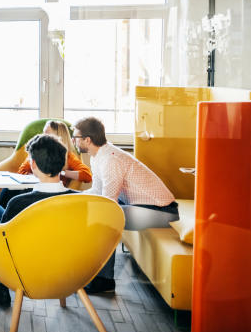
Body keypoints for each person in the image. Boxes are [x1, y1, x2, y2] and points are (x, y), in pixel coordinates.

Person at [73, 116, 178, 294]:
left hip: (162, 211)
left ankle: (104, 280)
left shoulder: (111, 160)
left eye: (75, 137)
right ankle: (88, 271)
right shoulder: (98, 156)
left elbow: (107, 204)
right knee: (98, 212)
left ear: (87, 140)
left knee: (106, 217)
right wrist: (71, 197)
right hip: (141, 207)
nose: (73, 140)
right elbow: (97, 191)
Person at [0, 133, 78, 306]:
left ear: (33, 164)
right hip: (66, 269)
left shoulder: (19, 202)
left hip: (24, 269)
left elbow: (3, 241)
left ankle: (0, 287)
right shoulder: (79, 200)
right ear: (63, 163)